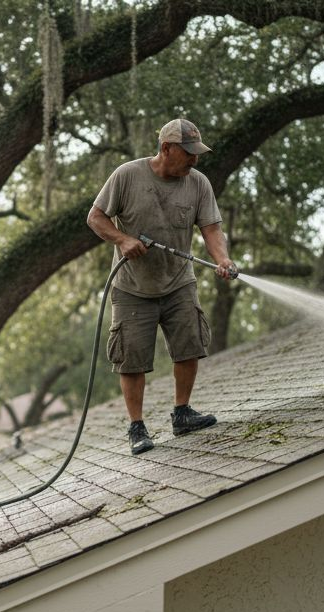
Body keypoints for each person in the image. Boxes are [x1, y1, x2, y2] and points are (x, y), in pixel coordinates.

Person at [87, 117, 237, 455]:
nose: (194, 160)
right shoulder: (127, 176)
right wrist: (122, 239)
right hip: (132, 287)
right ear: (166, 149)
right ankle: (137, 427)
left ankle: (182, 413)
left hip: (178, 280)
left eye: (197, 153)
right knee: (132, 358)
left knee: (190, 344)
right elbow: (95, 217)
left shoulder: (198, 183)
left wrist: (223, 259)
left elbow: (211, 229)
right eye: (188, 153)